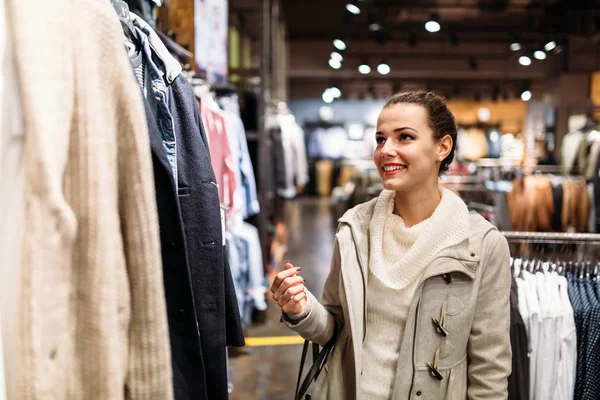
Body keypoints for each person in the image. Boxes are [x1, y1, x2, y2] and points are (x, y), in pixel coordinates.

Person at [271, 91, 512, 399]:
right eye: (381, 139)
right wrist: (301, 309)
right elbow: (334, 328)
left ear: (443, 146)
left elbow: (489, 371)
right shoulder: (356, 228)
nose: (386, 150)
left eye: (405, 137)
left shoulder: (481, 245)